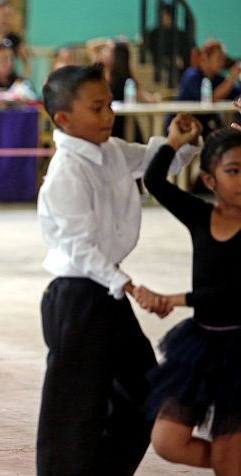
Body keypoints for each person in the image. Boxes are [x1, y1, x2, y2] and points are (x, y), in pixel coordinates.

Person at [36, 64, 201, 476]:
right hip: (76, 296)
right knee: (74, 412)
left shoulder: (109, 152)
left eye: (109, 104)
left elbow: (155, 161)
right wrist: (128, 285)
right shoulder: (66, 172)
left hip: (104, 292)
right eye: (97, 108)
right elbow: (80, 247)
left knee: (145, 390)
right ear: (64, 119)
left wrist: (184, 142)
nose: (109, 116)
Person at [136, 126, 241, 475]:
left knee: (229, 460)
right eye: (234, 171)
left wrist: (174, 299)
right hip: (203, 343)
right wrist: (173, 142)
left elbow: (233, 293)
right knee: (168, 441)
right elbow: (153, 180)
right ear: (210, 181)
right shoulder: (199, 215)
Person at [174, 40, 241, 137]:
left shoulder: (218, 78)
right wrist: (232, 78)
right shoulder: (192, 75)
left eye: (223, 59)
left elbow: (236, 93)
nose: (222, 63)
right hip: (185, 125)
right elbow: (209, 98)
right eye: (219, 58)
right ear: (206, 58)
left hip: (206, 125)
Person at [102, 41, 160, 141]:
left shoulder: (126, 78)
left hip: (121, 125)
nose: (103, 52)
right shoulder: (98, 74)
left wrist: (153, 98)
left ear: (117, 57)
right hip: (104, 122)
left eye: (108, 50)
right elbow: (92, 46)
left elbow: (146, 97)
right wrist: (111, 42)